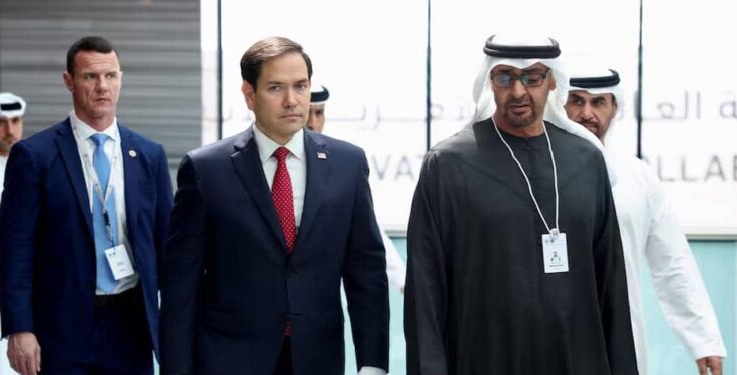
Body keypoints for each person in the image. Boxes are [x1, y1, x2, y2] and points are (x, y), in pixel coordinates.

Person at [404, 34, 638, 374]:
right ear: (489, 81)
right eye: (505, 77)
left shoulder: (586, 161)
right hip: (482, 360)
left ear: (552, 81)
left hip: (577, 360)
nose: (518, 92)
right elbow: (425, 291)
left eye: (532, 78)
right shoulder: (448, 164)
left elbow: (611, 285)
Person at [159, 36, 389, 375]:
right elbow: (181, 287)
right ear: (249, 95)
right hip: (229, 359)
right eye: (276, 88)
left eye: (301, 86)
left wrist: (373, 363)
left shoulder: (347, 164)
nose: (292, 101)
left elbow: (366, 271)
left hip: (317, 359)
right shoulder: (207, 170)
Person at [0, 36, 173, 375]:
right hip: (61, 327)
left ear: (121, 79)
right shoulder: (35, 156)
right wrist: (20, 328)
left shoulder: (149, 155)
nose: (102, 87)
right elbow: (16, 249)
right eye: (90, 77)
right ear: (69, 81)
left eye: (110, 76)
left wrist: (180, 321)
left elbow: (168, 247)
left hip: (131, 324)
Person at [566, 67, 726, 375]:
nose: (586, 113)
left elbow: (672, 262)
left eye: (598, 102)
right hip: (552, 334)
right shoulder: (536, 171)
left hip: (619, 333)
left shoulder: (637, 177)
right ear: (560, 105)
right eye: (576, 101)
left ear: (614, 108)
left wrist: (703, 340)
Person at [307, 83, 407, 292]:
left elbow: (368, 228)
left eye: (318, 113)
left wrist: (403, 282)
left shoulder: (340, 165)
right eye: (307, 113)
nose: (312, 123)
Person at [0, 92, 25, 375]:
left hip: (21, 277)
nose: (9, 130)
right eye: (1, 123)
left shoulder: (30, 163)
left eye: (15, 121)